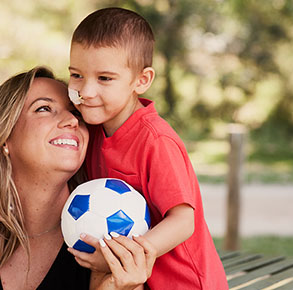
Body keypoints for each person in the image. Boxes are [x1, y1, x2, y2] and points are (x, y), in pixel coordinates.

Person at [0, 66, 156, 290]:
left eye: (76, 113)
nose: (73, 120)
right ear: (4, 137)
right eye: (44, 108)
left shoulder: (111, 226)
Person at [66, 8, 228, 289]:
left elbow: (183, 221)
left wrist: (122, 256)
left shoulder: (156, 141)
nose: (87, 91)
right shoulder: (91, 130)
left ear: (141, 81)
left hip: (185, 283)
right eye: (77, 75)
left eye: (104, 78)